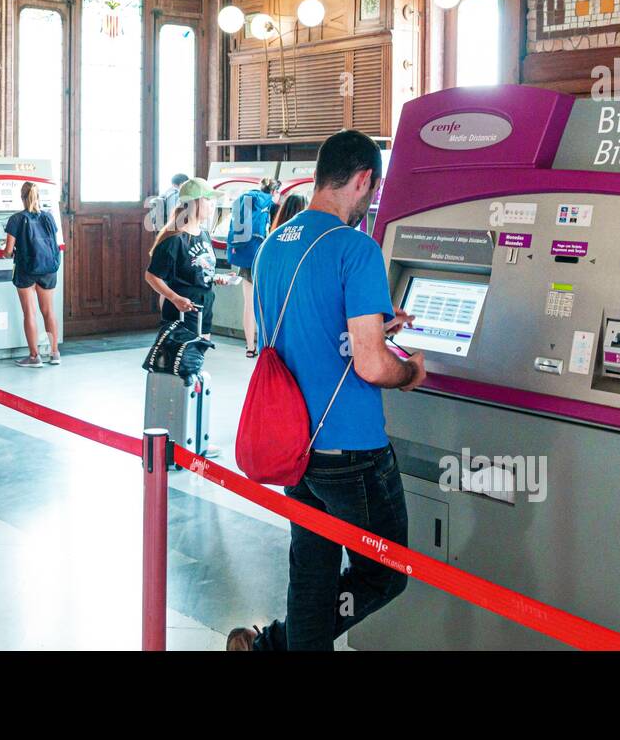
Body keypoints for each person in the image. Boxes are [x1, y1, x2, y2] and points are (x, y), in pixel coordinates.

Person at [228, 130, 426, 651]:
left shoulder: (274, 245)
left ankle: (274, 645)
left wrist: (373, 326)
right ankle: (276, 644)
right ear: (363, 179)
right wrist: (410, 372)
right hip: (352, 451)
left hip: (296, 444)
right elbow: (371, 366)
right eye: (373, 192)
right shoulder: (355, 248)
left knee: (312, 574)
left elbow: (304, 330)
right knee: (385, 573)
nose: (371, 204)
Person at [145, 177, 226, 338]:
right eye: (208, 199)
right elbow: (152, 276)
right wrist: (175, 298)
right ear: (194, 202)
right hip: (183, 310)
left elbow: (197, 269)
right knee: (181, 360)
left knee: (195, 359)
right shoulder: (175, 239)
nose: (212, 204)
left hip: (204, 306)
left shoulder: (203, 234)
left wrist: (214, 277)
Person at [3, 181, 61, 368]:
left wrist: (4, 253)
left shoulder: (16, 219)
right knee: (48, 311)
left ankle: (34, 356)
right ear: (38, 197)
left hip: (26, 269)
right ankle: (54, 353)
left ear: (22, 197)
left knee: (30, 312)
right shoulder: (48, 217)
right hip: (47, 268)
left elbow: (8, 250)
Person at [227, 178, 279, 357]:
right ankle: (268, 346)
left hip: (247, 256)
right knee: (267, 304)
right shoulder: (271, 204)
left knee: (249, 304)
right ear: (274, 192)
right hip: (265, 257)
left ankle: (250, 347)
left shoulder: (249, 199)